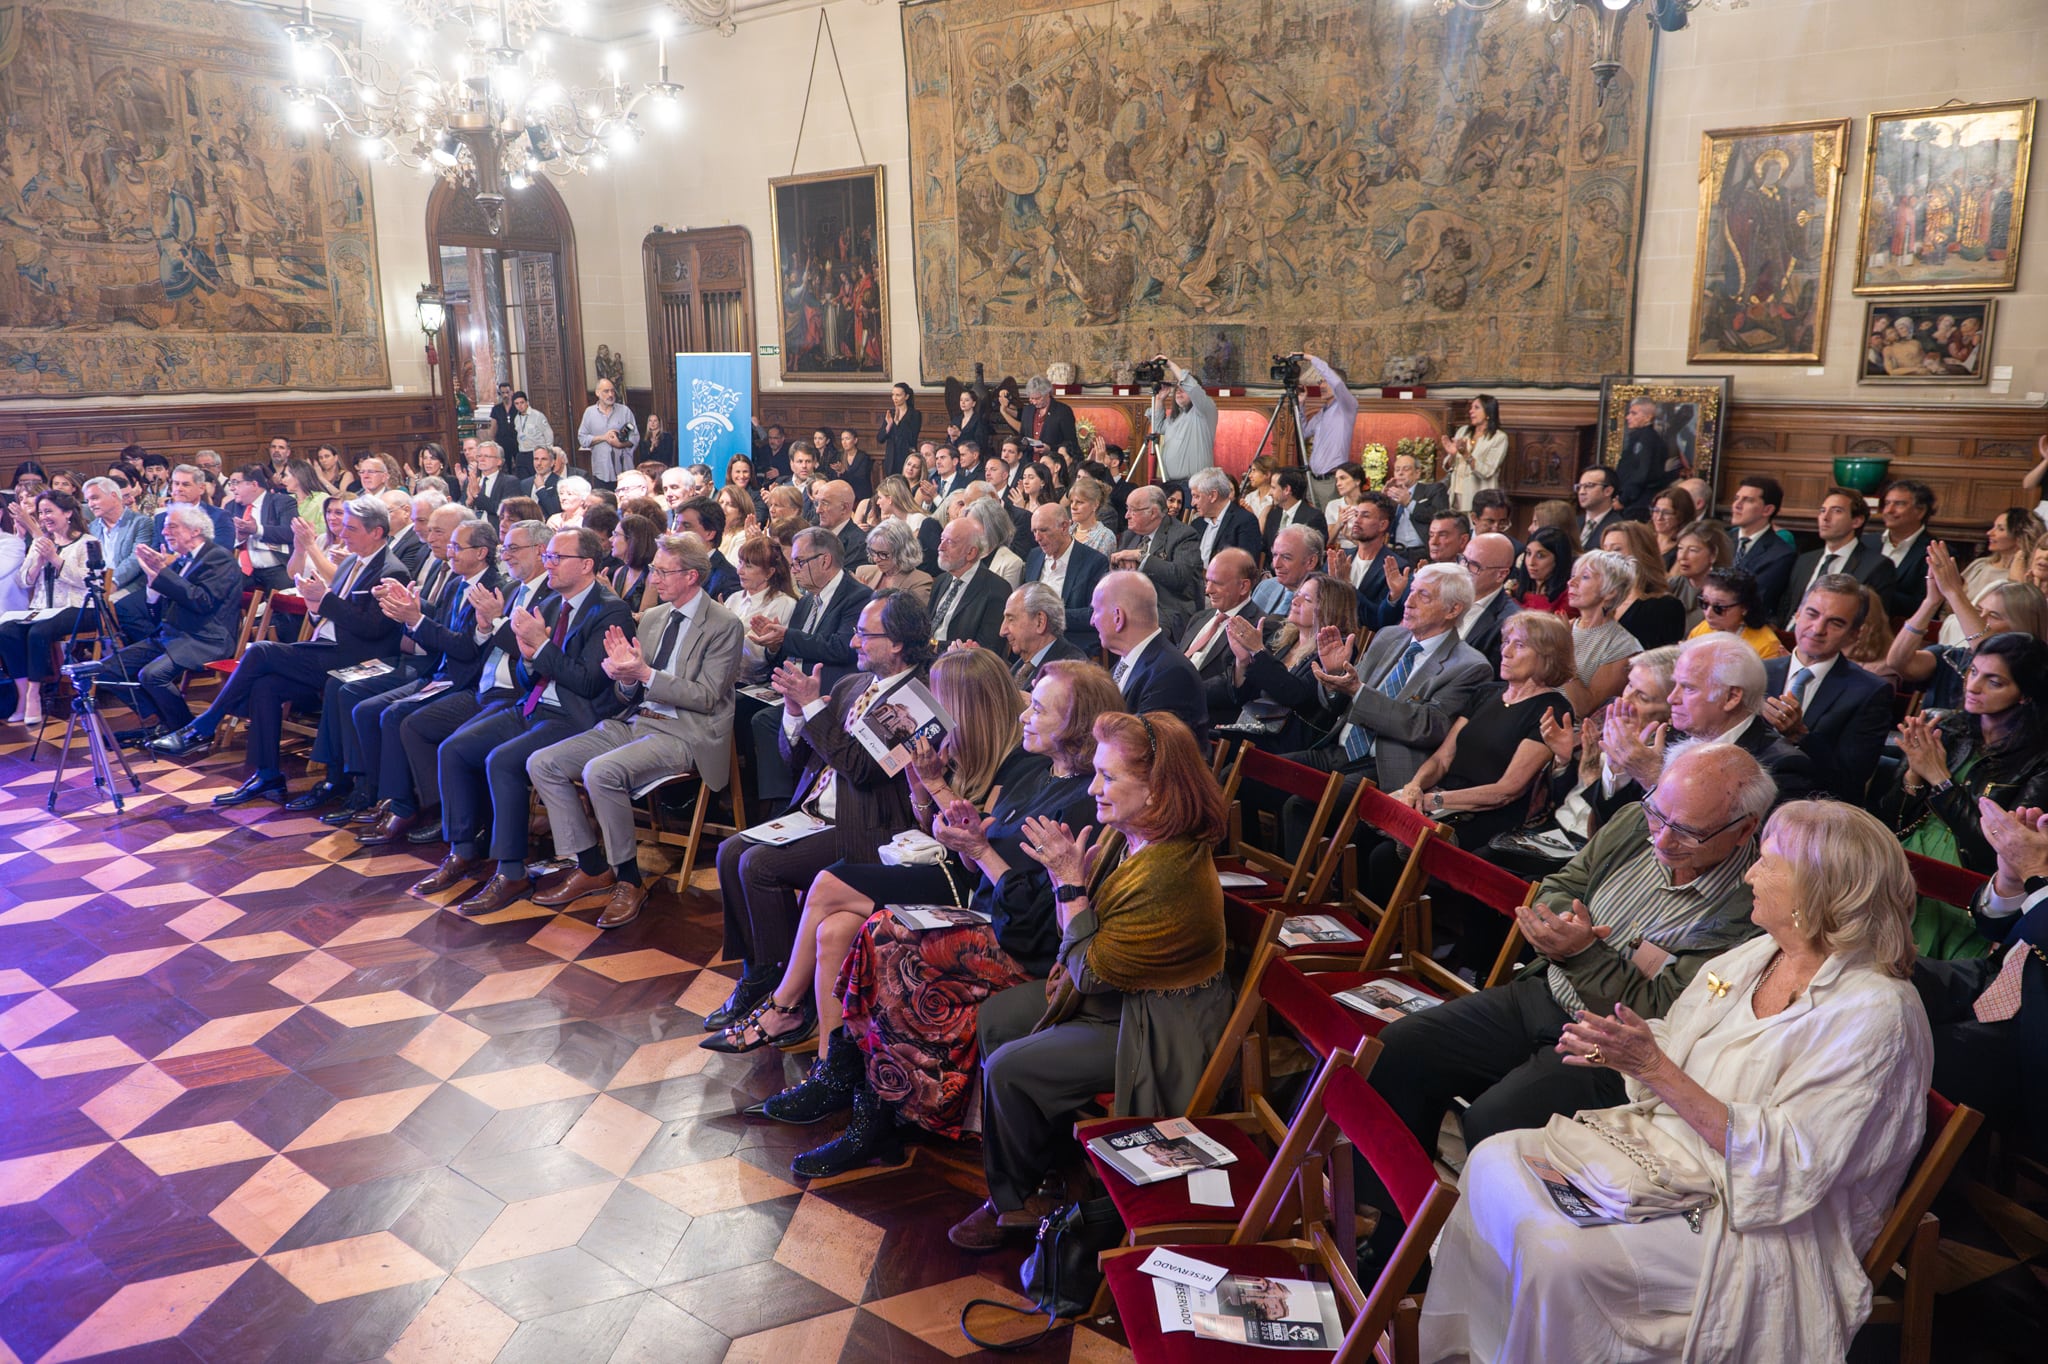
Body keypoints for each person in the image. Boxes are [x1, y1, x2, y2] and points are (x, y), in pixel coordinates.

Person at [1422, 801, 1930, 1364]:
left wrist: (1652, 1067)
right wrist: (1622, 1046)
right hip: (1670, 1151)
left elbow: (1793, 1162)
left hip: (1758, 1221)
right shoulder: (1761, 952)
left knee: (1556, 1249)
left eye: (1766, 864)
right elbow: (1684, 1032)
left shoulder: (1877, 1012)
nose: (1748, 875)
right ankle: (1477, 1350)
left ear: (1818, 890)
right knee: (1494, 1157)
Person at [1355, 744, 1774, 1269]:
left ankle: (1493, 1274)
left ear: (1743, 829)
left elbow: (1661, 1011)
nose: (1662, 839)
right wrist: (1558, 928)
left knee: (1494, 1121)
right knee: (1398, 1051)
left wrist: (1582, 953)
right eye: (1658, 815)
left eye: (1687, 832)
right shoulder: (1634, 822)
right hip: (1542, 991)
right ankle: (1400, 1239)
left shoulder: (1750, 906)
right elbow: (1564, 883)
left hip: (1614, 1051)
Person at [949, 710, 1231, 1248]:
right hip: (1115, 993)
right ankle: (1051, 1167)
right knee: (998, 1017)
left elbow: (1087, 968)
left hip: (1153, 1024)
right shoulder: (1130, 837)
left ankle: (1014, 1202)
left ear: (1157, 790)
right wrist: (1071, 884)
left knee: (1009, 1066)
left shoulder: (1168, 874)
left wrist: (1069, 884)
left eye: (1110, 777)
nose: (1094, 789)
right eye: (1096, 773)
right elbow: (1077, 948)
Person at [708, 591, 933, 1035]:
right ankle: (760, 973)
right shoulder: (852, 685)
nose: (853, 644)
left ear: (899, 644)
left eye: (865, 635)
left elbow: (862, 770)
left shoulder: (917, 699)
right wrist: (794, 714)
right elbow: (798, 761)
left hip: (867, 825)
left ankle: (793, 999)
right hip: (815, 810)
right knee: (731, 851)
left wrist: (812, 708)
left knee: (760, 865)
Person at [409, 527, 636, 914]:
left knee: (502, 761)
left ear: (586, 565)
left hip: (575, 716)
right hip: (532, 705)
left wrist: (540, 646)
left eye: (555, 558)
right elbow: (529, 674)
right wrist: (529, 654)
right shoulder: (551, 603)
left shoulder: (609, 609)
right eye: (545, 556)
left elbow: (587, 681)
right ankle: (463, 849)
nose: (547, 564)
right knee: (455, 749)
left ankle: (511, 871)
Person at [526, 533, 746, 928]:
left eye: (663, 571)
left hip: (684, 732)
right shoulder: (655, 617)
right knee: (543, 762)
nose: (654, 578)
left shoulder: (724, 624)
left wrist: (644, 673)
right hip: (637, 721)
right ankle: (593, 866)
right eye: (654, 570)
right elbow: (628, 691)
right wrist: (624, 675)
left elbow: (708, 697)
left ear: (692, 576)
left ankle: (629, 879)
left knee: (600, 771)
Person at [146, 497, 412, 806]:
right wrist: (316, 605)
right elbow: (328, 615)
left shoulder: (393, 570)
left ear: (376, 532)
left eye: (352, 528)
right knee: (265, 685)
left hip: (359, 659)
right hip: (327, 647)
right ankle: (268, 774)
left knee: (260, 650)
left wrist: (323, 600)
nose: (344, 533)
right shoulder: (351, 561)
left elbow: (374, 630)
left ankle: (203, 726)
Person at [1371, 610, 1576, 915]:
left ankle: (1398, 941)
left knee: (1385, 857)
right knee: (1370, 833)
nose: (1504, 651)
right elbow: (1442, 758)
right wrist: (1414, 787)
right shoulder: (1487, 693)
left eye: (1519, 645)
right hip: (1442, 800)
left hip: (1485, 817)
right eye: (1506, 641)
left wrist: (1434, 799)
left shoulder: (1551, 708)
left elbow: (1506, 790)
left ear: (1547, 656)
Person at [1878, 632, 2048, 957]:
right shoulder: (1946, 725)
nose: (1973, 686)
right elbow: (1891, 817)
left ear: (2025, 694)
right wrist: (1914, 774)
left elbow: (1999, 851)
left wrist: (1940, 779)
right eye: (1973, 672)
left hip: (1968, 881)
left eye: (1994, 681)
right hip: (1904, 858)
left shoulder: (2040, 761)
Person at [1914, 800, 2048, 1164]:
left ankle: (1912, 1201)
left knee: (1891, 1044)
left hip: (2033, 1036)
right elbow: (1996, 927)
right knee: (1881, 976)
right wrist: (2010, 879)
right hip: (1997, 977)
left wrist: (2037, 875)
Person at [1760, 574, 1897, 805]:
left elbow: (1850, 780)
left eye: (1836, 623)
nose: (1818, 629)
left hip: (1811, 812)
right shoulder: (1760, 673)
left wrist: (1800, 735)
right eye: (1812, 614)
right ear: (1797, 614)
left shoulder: (1870, 692)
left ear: (1855, 633)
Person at [1887, 554, 2046, 712]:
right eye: (1977, 611)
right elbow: (1897, 662)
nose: (1980, 618)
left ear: (2022, 627)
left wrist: (1954, 593)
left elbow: (1987, 650)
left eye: (1993, 615)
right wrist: (1931, 602)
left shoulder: (2033, 672)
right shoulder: (1954, 658)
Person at [1225, 571, 1355, 751]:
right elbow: (1242, 697)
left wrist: (1257, 650)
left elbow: (1296, 695)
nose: (1295, 601)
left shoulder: (1336, 649)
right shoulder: (1285, 639)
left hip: (1289, 742)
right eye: (1297, 595)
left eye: (1307, 599)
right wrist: (1243, 661)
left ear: (1330, 610)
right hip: (1256, 728)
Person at [2, 492, 95, 727]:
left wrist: (55, 558)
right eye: (41, 513)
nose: (44, 517)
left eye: (49, 511)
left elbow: (88, 581)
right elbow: (23, 581)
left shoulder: (87, 542)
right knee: (6, 630)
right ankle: (22, 694)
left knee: (38, 632)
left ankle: (34, 694)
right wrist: (38, 564)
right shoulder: (40, 542)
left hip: (79, 607)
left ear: (67, 513)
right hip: (44, 609)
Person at [1092, 570, 1207, 738]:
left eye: (1096, 610)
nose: (1092, 620)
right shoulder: (1126, 663)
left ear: (1118, 617)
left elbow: (1137, 748)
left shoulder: (1171, 675)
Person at [1779, 484, 1899, 625]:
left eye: (1837, 511)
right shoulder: (1805, 559)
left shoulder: (1877, 566)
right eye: (1822, 511)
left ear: (1856, 521)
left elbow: (1870, 623)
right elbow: (1784, 609)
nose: (1825, 517)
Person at [1938, 507, 2044, 647]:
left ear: (2020, 536)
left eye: (2000, 529)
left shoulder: (2027, 574)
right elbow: (1949, 604)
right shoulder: (1980, 565)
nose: (1989, 533)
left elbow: (2018, 613)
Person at [1022, 501, 1110, 655]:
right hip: (1032, 639)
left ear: (1064, 527)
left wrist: (1050, 617)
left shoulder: (1094, 561)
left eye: (1043, 530)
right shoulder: (1034, 556)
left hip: (1071, 640)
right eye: (1033, 531)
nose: (1037, 538)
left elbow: (1095, 613)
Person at [724, 534, 798, 686]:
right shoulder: (734, 598)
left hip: (752, 684)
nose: (739, 571)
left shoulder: (782, 603)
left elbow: (758, 661)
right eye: (740, 563)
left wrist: (728, 632)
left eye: (748, 566)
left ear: (769, 572)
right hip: (724, 676)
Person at [927, 515, 1008, 653]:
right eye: (942, 539)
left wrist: (935, 646)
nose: (940, 547)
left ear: (971, 553)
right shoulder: (941, 581)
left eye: (951, 542)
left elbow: (986, 649)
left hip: (960, 668)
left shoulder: (997, 589)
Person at [1602, 521, 1686, 649]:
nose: (1605, 557)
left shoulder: (1665, 606)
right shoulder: (1600, 600)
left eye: (1616, 549)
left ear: (1640, 552)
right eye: (1605, 549)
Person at [1867, 478, 1938, 618]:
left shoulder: (1935, 551)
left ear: (1921, 511)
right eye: (1887, 503)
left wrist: (1873, 592)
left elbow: (1925, 604)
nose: (1888, 510)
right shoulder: (1866, 542)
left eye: (1899, 504)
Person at [1727, 476, 1797, 614]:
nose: (1737, 505)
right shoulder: (1722, 540)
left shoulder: (1781, 554)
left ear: (1768, 510)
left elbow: (1757, 598)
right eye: (1737, 498)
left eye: (1747, 500)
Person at [1144, 356, 1218, 483]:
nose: (1179, 392)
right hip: (1172, 484)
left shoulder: (1204, 411)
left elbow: (1193, 388)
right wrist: (1159, 400)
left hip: (1196, 484)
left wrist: (1170, 364)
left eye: (1184, 390)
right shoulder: (1176, 418)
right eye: (1177, 389)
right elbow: (1157, 427)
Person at [1002, 582, 1088, 690]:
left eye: (1011, 619)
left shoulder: (1071, 671)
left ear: (1040, 621)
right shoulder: (1021, 666)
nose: (1002, 631)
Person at [1687, 565, 1786, 659]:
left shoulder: (1766, 646)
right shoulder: (1702, 629)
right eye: (1704, 603)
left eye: (1719, 608)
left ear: (1744, 607)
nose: (1708, 613)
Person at [1299, 353, 1358, 506]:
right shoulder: (1322, 413)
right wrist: (1301, 405)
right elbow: (1303, 433)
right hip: (1313, 480)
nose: (1322, 386)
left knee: (1330, 525)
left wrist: (1310, 358)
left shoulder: (1347, 407)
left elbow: (1337, 384)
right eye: (1320, 382)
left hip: (1332, 481)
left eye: (1325, 381)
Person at [1456, 531, 1523, 666]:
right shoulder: (1445, 597)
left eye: (1474, 566)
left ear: (1501, 575)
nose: (1463, 569)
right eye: (1463, 560)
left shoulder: (1510, 622)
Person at [1614, 395, 1683, 515]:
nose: (1627, 417)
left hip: (1637, 503)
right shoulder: (1638, 437)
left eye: (1634, 413)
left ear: (1648, 417)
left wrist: (1624, 499)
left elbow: (1642, 474)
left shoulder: (1648, 441)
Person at [1442, 393, 1507, 511]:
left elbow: (1487, 471)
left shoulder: (1499, 438)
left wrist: (1466, 454)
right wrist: (1452, 455)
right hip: (1456, 493)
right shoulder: (1463, 431)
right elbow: (1448, 467)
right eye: (1471, 408)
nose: (1471, 411)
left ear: (1489, 412)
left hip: (1479, 496)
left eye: (1476, 408)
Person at [1187, 467, 1266, 564]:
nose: (1192, 503)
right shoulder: (1197, 524)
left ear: (1213, 496)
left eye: (1196, 496)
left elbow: (1245, 566)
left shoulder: (1245, 521)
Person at [852, 519, 933, 609]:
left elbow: (910, 617)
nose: (876, 559)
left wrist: (868, 595)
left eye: (883, 554)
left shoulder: (920, 581)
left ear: (903, 552)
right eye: (873, 552)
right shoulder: (863, 573)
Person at [1671, 518, 1733, 625]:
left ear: (1713, 555)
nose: (1682, 556)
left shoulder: (1725, 592)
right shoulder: (1672, 585)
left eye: (1693, 550)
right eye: (1680, 548)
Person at [577, 378, 639, 483]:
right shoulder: (589, 413)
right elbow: (582, 438)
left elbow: (635, 437)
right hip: (601, 472)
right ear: (597, 393)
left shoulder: (624, 412)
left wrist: (620, 444)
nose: (610, 394)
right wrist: (604, 437)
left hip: (624, 471)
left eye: (612, 391)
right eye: (606, 391)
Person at [1257, 466, 1325, 554]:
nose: (1270, 493)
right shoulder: (1273, 513)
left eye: (1273, 488)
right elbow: (1265, 548)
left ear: (1286, 490)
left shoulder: (1313, 518)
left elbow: (1314, 554)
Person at [1515, 525, 1576, 617]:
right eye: (1528, 553)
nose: (1531, 562)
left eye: (1540, 556)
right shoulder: (1515, 590)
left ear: (1558, 559)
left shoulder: (1569, 597)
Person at [606, 512, 660, 614]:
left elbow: (643, 621)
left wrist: (609, 592)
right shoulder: (620, 571)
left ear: (632, 540)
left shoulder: (652, 576)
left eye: (616, 535)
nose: (610, 539)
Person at [1574, 466, 1627, 552]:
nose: (1581, 492)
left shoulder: (1619, 526)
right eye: (1579, 487)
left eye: (1589, 486)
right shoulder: (1574, 523)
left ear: (1608, 491)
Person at [1648, 485, 1698, 565]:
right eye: (1656, 511)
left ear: (1681, 516)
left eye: (1667, 513)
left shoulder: (1683, 549)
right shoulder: (1644, 539)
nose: (1659, 517)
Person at [509, 391, 555, 478]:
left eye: (522, 402)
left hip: (535, 453)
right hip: (522, 453)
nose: (520, 406)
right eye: (517, 404)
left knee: (537, 478)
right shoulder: (516, 418)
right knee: (523, 481)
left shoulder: (537, 416)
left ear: (527, 402)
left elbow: (548, 434)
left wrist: (547, 451)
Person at [1322, 461, 1369, 531]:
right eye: (1337, 480)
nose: (1338, 484)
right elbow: (1328, 541)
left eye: (1342, 478)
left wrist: (1350, 538)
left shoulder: (1370, 506)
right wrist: (1338, 523)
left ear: (1357, 481)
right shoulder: (1332, 505)